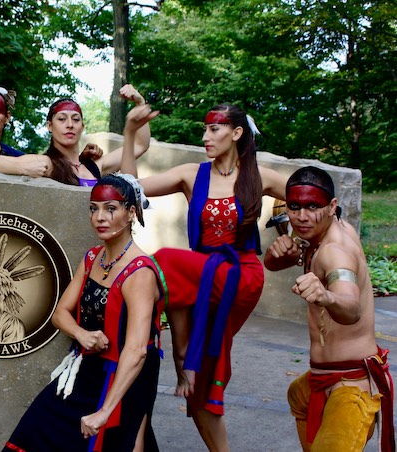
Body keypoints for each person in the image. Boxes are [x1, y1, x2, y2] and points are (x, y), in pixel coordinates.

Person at [121, 103, 287, 451]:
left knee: (163, 261)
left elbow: (312, 197)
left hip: (241, 276)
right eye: (205, 128)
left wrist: (289, 231)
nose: (205, 137)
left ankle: (182, 355)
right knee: (201, 388)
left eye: (214, 129)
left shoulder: (261, 176)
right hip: (202, 276)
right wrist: (130, 133)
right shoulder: (191, 175)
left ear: (236, 133)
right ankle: (191, 372)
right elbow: (127, 189)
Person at [3, 174, 165, 451]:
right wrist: (82, 334)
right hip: (84, 368)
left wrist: (104, 412)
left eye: (111, 208)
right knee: (34, 429)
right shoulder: (92, 258)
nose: (100, 217)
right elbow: (60, 314)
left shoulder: (140, 272)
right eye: (94, 209)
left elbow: (137, 349)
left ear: (131, 213)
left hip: (123, 377)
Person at [264, 166, 394, 452]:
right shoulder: (321, 232)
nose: (302, 216)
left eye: (313, 207)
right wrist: (277, 255)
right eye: (295, 206)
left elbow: (351, 308)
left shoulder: (335, 251)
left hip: (352, 385)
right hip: (321, 378)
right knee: (298, 395)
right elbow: (273, 263)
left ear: (332, 206)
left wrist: (328, 297)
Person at [0, 84, 152, 187]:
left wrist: (140, 102)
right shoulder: (46, 163)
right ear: (49, 126)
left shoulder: (96, 165)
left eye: (75, 120)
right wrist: (22, 168)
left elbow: (139, 146)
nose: (69, 124)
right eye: (62, 119)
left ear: (82, 126)